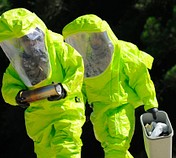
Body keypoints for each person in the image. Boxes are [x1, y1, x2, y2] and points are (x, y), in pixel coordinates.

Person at [62, 14, 159, 158]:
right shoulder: (88, 60)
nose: (94, 40)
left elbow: (140, 78)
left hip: (119, 108)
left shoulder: (123, 52)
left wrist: (151, 104)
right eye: (91, 37)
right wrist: (77, 108)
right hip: (98, 110)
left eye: (96, 36)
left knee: (116, 148)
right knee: (111, 147)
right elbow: (81, 86)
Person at [0, 8, 86, 158]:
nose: (30, 42)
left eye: (31, 37)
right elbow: (8, 88)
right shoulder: (19, 64)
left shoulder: (59, 49)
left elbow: (76, 69)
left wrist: (65, 88)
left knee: (67, 148)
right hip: (39, 117)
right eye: (24, 39)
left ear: (39, 32)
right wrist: (18, 96)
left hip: (65, 109)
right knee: (45, 153)